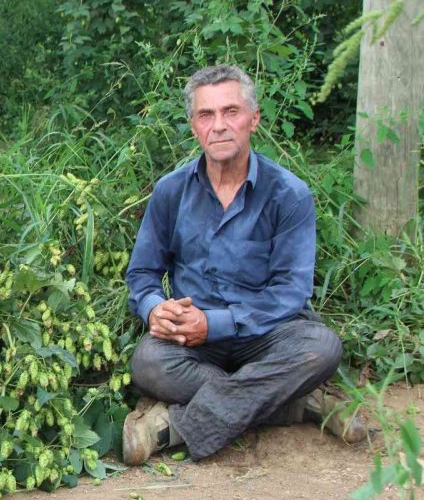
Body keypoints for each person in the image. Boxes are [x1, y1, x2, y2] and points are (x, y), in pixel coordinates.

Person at [122, 64, 365, 465]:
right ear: (194, 127)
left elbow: (290, 292)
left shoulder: (289, 194)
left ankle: (172, 427)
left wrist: (215, 323)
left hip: (268, 334)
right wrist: (154, 309)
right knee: (148, 362)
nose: (219, 125)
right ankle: (298, 401)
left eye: (230, 111)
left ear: (253, 119)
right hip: (193, 341)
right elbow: (142, 273)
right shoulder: (170, 191)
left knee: (321, 347)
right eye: (206, 115)